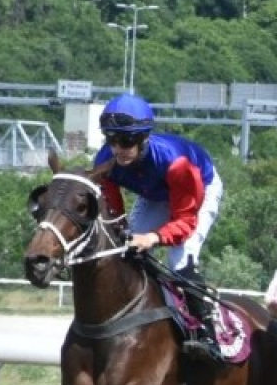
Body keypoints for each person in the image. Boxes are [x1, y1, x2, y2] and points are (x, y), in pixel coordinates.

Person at [90, 92, 225, 363]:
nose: (118, 149)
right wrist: (125, 235)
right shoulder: (105, 162)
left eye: (126, 141)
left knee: (180, 263)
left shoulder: (177, 164)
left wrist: (153, 237)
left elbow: (185, 222)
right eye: (112, 140)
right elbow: (115, 214)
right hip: (155, 193)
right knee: (125, 251)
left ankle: (207, 335)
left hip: (197, 189)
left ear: (143, 138)